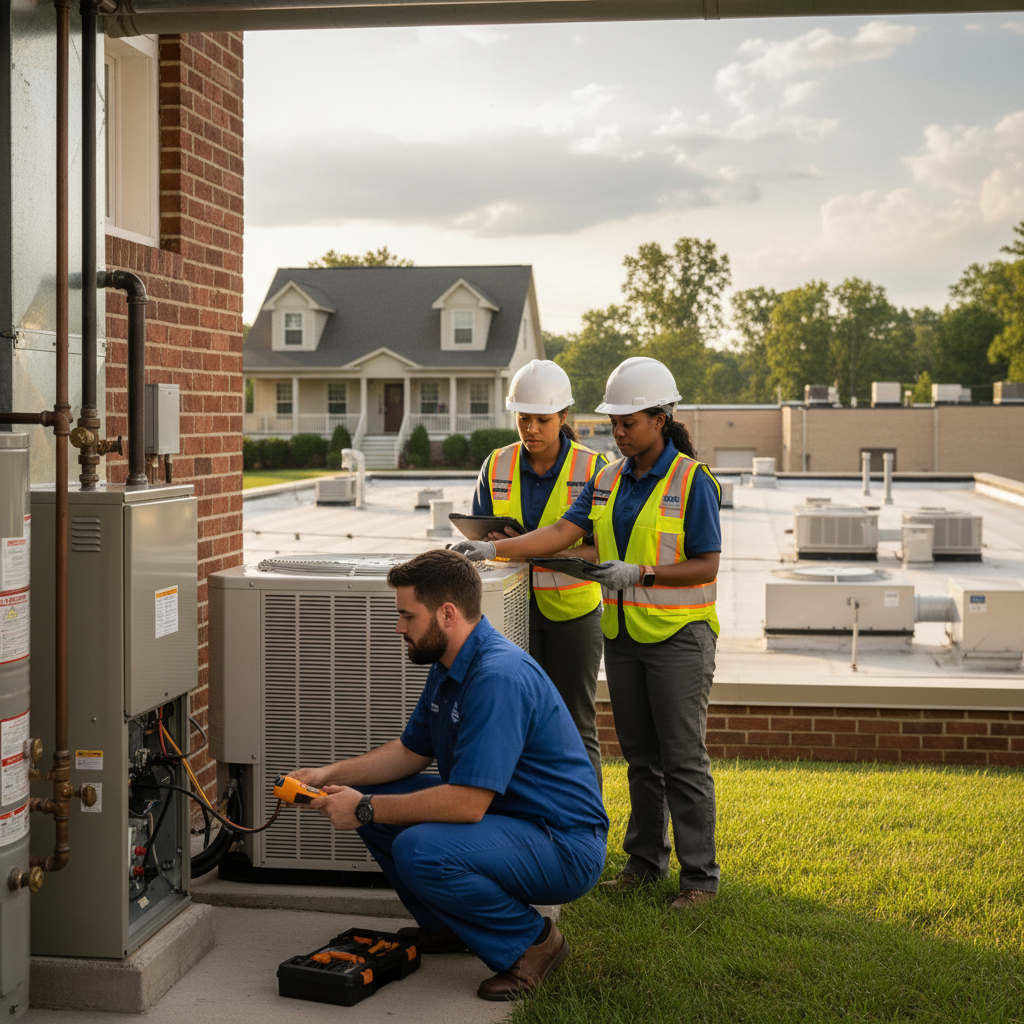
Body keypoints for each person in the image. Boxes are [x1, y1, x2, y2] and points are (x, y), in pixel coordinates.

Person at [452, 357, 722, 910]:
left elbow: (707, 564)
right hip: (622, 632)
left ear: (662, 418)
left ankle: (699, 880)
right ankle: (645, 864)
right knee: (641, 758)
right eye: (615, 423)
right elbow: (560, 532)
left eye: (629, 423)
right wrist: (492, 548)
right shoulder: (609, 478)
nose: (618, 433)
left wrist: (641, 572)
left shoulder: (693, 482)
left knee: (683, 759)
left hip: (679, 636)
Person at [287, 548, 608, 1002]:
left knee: (418, 847)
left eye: (407, 616)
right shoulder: (450, 664)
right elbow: (409, 752)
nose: (399, 627)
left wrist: (362, 807)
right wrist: (330, 773)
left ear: (447, 614)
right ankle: (448, 925)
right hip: (511, 820)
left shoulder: (498, 677)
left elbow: (465, 803)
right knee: (377, 794)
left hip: (563, 843)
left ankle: (534, 945)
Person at [471, 358, 607, 785]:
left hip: (573, 617)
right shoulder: (496, 464)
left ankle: (587, 829)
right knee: (513, 723)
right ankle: (528, 826)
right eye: (523, 418)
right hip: (507, 616)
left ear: (564, 416)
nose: (531, 428)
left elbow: (603, 548)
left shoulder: (594, 468)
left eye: (542, 419)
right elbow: (480, 538)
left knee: (575, 724)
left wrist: (531, 549)